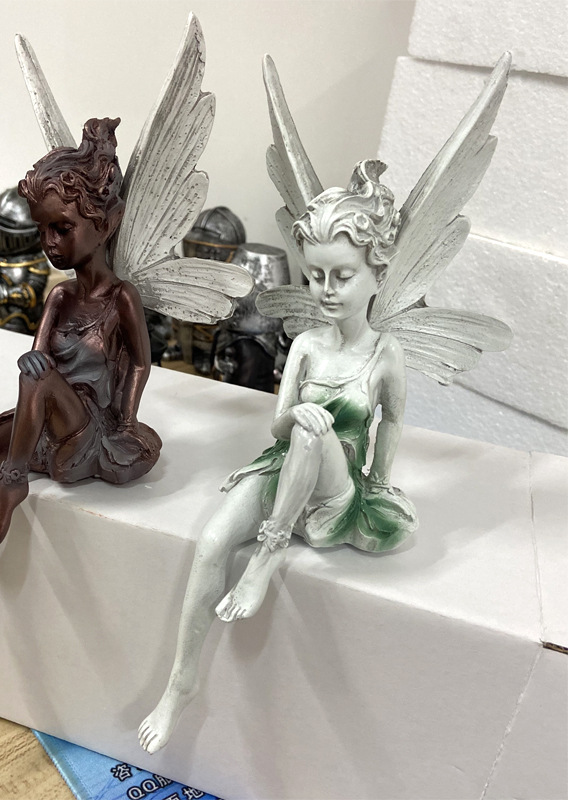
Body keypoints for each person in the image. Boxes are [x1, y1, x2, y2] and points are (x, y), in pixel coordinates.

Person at [138, 160, 417, 754]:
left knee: (317, 435)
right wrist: (299, 417)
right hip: (284, 462)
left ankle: (267, 557)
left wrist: (380, 482)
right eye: (315, 276)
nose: (327, 290)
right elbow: (278, 422)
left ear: (378, 273)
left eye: (342, 276)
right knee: (212, 542)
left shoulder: (386, 354)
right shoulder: (307, 346)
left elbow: (391, 421)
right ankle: (180, 684)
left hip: (337, 484)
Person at [0, 118, 161, 673]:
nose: (49, 243)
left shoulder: (121, 297)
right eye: (43, 230)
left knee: (38, 376)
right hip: (40, 422)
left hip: (84, 427)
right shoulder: (56, 299)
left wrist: (125, 419)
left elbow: (140, 361)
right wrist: (33, 377)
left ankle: (12, 485)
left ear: (106, 223)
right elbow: (35, 364)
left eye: (62, 228)